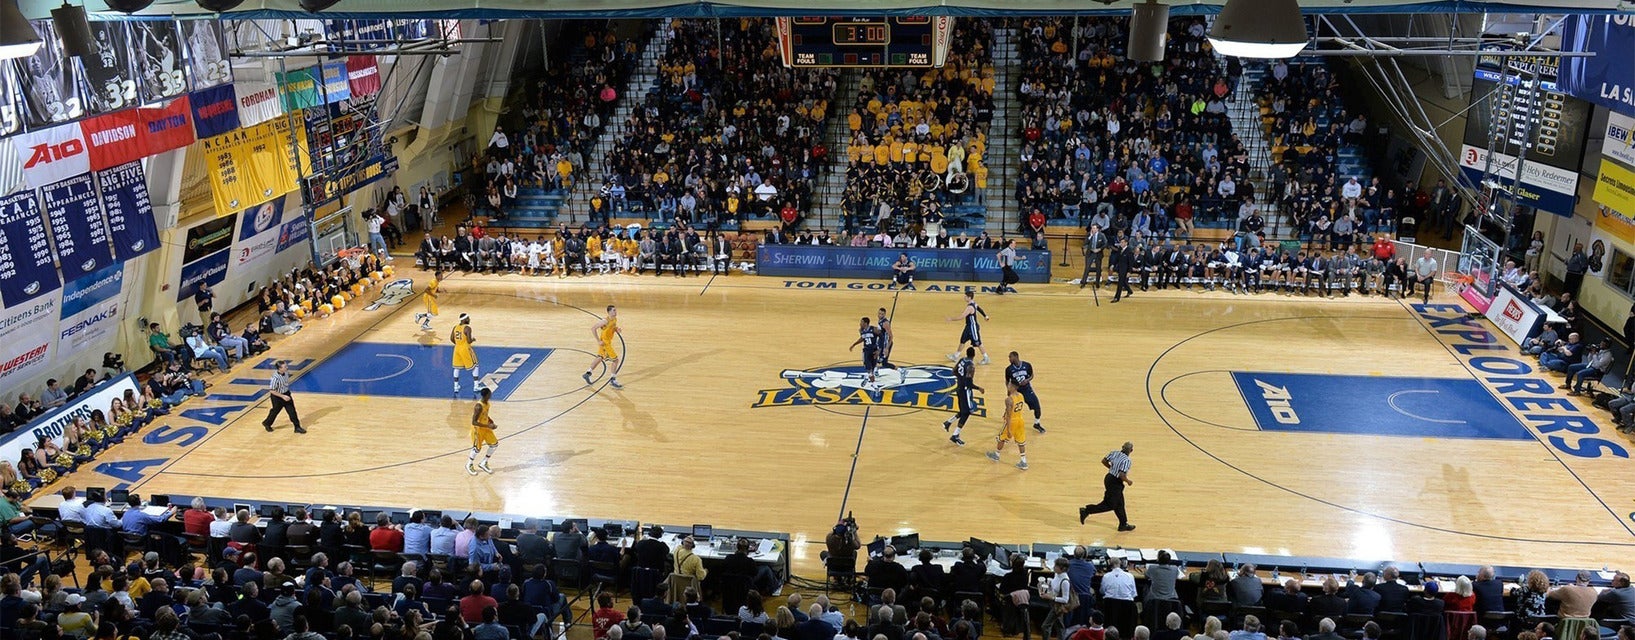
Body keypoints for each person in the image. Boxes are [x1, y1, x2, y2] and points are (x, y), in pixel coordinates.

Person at [1079, 442, 1136, 531]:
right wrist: (1128, 481)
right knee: (1110, 505)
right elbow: (1121, 475)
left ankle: (1123, 524)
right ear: (1131, 450)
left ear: (1122, 447)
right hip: (1115, 482)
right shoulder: (1127, 461)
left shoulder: (1114, 453)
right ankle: (1086, 510)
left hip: (1108, 478)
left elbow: (1104, 461)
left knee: (1120, 503)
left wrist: (1111, 468)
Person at [940, 347, 983, 446]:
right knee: (967, 412)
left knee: (963, 410)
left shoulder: (962, 360)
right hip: (965, 391)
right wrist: (979, 388)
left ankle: (948, 422)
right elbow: (968, 384)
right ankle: (955, 435)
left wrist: (960, 379)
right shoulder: (971, 367)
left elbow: (953, 371)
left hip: (959, 388)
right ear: (974, 355)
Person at [985, 380, 1030, 470]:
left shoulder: (1009, 399)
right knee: (1021, 441)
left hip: (1012, 421)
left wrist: (1009, 429)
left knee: (1002, 438)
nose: (1007, 386)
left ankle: (996, 454)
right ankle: (1024, 461)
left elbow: (1009, 416)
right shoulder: (1021, 395)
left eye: (1009, 384)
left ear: (1013, 387)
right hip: (1020, 420)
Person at [582, 305, 625, 389]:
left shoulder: (614, 319)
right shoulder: (605, 321)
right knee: (616, 360)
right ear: (609, 312)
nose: (615, 312)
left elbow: (612, 327)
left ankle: (587, 373)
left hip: (607, 342)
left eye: (616, 310)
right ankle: (613, 380)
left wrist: (616, 329)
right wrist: (598, 340)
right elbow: (593, 328)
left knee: (600, 357)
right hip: (605, 343)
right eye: (614, 310)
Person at [1005, 351, 1045, 433]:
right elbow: (1007, 381)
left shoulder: (1027, 365)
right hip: (1016, 391)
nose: (1009, 359)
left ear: (1016, 357)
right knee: (1011, 406)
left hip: (1026, 389)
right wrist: (1008, 391)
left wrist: (1027, 380)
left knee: (1037, 406)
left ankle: (1037, 423)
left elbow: (1031, 375)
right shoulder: (1008, 369)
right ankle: (1007, 418)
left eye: (1010, 357)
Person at [946, 291, 991, 365]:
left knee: (978, 342)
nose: (964, 297)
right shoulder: (973, 303)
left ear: (969, 298)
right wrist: (985, 316)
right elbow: (979, 309)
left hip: (972, 328)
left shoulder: (970, 307)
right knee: (963, 340)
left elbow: (962, 317)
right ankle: (956, 356)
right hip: (968, 326)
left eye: (965, 296)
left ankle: (986, 358)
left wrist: (951, 319)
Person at [262, 360, 304, 434]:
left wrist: (286, 394)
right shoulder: (275, 378)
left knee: (292, 411)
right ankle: (267, 423)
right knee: (275, 411)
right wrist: (282, 396)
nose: (287, 367)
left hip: (286, 394)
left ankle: (297, 427)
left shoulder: (286, 372)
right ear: (280, 368)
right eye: (285, 367)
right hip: (277, 396)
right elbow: (272, 390)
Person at [468, 387, 498, 475]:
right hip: (478, 430)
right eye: (489, 394)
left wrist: (490, 420)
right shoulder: (478, 406)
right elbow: (474, 422)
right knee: (477, 449)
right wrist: (488, 425)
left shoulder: (487, 403)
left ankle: (484, 462)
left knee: (494, 444)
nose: (491, 395)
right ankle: (469, 464)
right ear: (486, 395)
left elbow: (485, 415)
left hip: (485, 428)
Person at [849, 316, 883, 392]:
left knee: (873, 368)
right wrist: (854, 344)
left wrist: (879, 350)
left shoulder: (874, 329)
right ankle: (875, 386)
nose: (860, 324)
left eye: (861, 322)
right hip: (866, 351)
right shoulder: (861, 330)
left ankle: (867, 378)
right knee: (869, 369)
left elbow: (882, 338)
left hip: (874, 350)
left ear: (865, 323)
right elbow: (862, 338)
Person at [452, 314, 481, 398]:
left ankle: (456, 386)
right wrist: (473, 339)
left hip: (457, 348)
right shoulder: (467, 328)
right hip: (465, 349)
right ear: (464, 320)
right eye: (468, 318)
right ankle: (476, 386)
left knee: (456, 368)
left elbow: (451, 338)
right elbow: (468, 340)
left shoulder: (455, 327)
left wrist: (458, 344)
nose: (469, 319)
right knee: (476, 365)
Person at [1081, 223, 1108, 289]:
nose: (1092, 229)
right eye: (1092, 228)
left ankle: (1097, 283)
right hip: (1090, 253)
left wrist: (1099, 249)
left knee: (1098, 269)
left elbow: (1106, 243)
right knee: (1087, 268)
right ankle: (1083, 282)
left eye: (1094, 228)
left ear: (1097, 229)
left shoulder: (1102, 235)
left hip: (1098, 254)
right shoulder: (1089, 235)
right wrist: (1090, 236)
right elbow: (1085, 243)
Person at [1111, 237, 1134, 302]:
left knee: (1120, 283)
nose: (1121, 243)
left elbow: (1131, 263)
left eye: (1122, 242)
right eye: (1120, 242)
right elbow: (1117, 258)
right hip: (1120, 268)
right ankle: (1130, 291)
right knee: (1123, 281)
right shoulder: (1120, 249)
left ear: (1126, 243)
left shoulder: (1129, 251)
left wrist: (1129, 272)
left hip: (1125, 270)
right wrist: (1113, 264)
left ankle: (1117, 297)